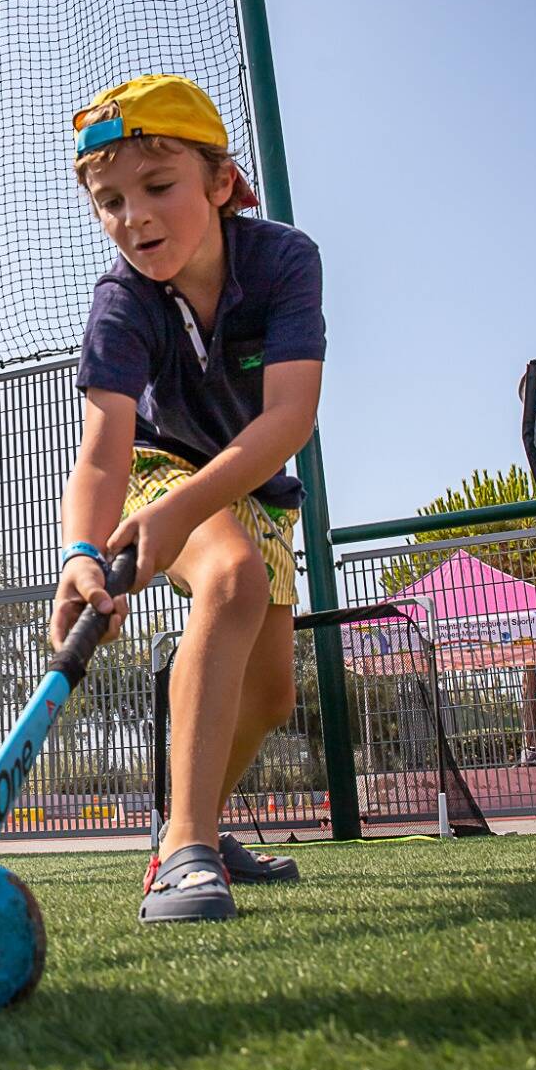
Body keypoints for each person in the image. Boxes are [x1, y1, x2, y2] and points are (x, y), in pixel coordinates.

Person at [50, 74, 323, 923]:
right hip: (158, 472)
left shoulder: (284, 261)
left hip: (256, 481)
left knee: (272, 695)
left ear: (219, 181)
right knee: (232, 577)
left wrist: (182, 515)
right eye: (110, 201)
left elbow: (289, 419)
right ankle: (188, 851)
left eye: (157, 187)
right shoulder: (122, 302)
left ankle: (187, 821)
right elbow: (102, 449)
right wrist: (80, 555)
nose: (133, 217)